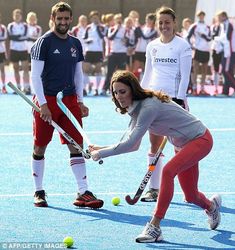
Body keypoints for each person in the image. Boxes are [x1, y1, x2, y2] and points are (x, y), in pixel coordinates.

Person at [89, 70, 222, 243]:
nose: (119, 96)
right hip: (181, 145)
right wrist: (101, 148)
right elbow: (133, 143)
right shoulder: (136, 108)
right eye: (115, 92)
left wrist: (100, 154)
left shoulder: (148, 107)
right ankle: (211, 206)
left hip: (200, 139)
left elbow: (131, 144)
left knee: (167, 172)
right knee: (190, 196)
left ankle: (155, 226)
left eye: (123, 91)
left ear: (133, 90)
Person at [30, 2, 103, 209]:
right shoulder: (43, 43)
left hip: (69, 101)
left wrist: (80, 101)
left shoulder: (76, 43)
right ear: (53, 19)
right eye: (59, 18)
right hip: (47, 100)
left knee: (76, 145)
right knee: (40, 146)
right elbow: (35, 76)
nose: (62, 22)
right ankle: (39, 191)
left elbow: (78, 74)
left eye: (66, 18)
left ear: (71, 19)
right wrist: (43, 104)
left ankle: (83, 192)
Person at [140, 6, 192, 202]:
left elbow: (185, 75)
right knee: (154, 145)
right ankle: (153, 189)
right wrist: (141, 96)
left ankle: (188, 190)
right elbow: (147, 74)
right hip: (154, 101)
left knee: (181, 147)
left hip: (175, 100)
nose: (163, 26)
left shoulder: (183, 46)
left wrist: (179, 99)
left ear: (174, 23)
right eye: (160, 23)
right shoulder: (152, 45)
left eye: (167, 22)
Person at [187, 10, 211, 96]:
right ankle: (194, 88)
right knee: (195, 69)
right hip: (197, 50)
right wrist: (191, 46)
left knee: (204, 70)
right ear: (198, 16)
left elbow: (209, 38)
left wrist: (203, 35)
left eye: (203, 15)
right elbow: (188, 37)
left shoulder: (207, 26)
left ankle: (202, 88)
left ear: (204, 16)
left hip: (206, 50)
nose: (201, 17)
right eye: (200, 15)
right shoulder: (194, 26)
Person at [7, 9, 31, 94]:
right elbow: (10, 37)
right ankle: (18, 87)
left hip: (23, 49)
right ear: (13, 17)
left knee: (25, 69)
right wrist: (18, 37)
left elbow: (25, 36)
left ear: (21, 16)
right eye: (15, 15)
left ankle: (27, 87)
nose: (17, 17)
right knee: (16, 69)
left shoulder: (25, 26)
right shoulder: (10, 25)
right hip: (14, 50)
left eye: (19, 15)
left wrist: (17, 37)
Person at [0, 13, 7, 94]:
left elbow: (4, 38)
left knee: (2, 69)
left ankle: (3, 86)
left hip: (1, 51)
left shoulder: (3, 27)